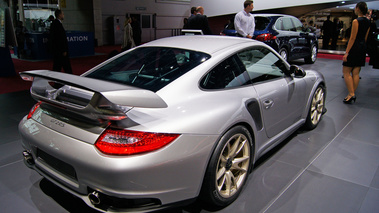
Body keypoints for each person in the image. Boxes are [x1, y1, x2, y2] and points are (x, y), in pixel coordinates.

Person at [342, 2, 370, 104]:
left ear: (358, 9)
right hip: (362, 47)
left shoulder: (355, 21)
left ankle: (351, 94)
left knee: (346, 71)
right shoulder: (368, 22)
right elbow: (365, 37)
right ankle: (352, 93)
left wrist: (347, 52)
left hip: (354, 48)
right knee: (356, 72)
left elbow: (352, 38)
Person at [49, 9, 72, 74]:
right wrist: (64, 49)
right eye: (62, 14)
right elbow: (59, 38)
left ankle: (57, 82)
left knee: (58, 66)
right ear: (59, 15)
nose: (63, 15)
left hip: (58, 50)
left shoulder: (55, 24)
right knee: (64, 67)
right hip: (60, 51)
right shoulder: (57, 24)